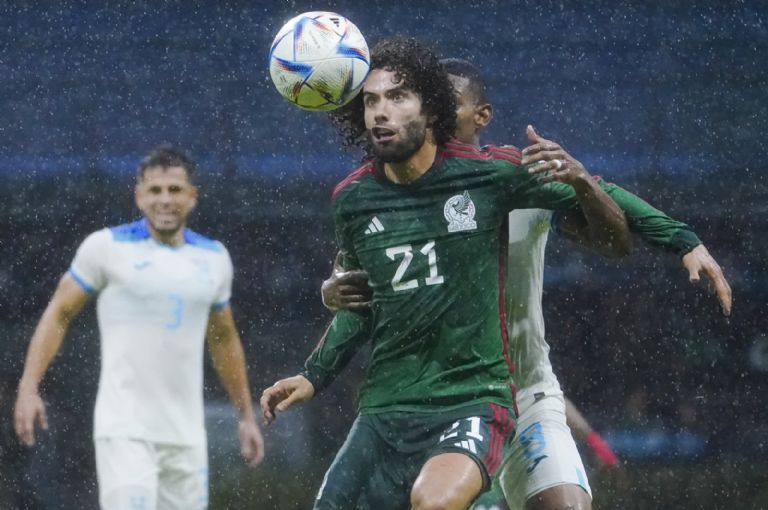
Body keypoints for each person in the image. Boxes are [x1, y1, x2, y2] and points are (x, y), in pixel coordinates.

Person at [320, 57, 732, 510]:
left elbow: (613, 236)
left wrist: (681, 239)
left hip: (526, 394)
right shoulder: (394, 196)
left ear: (482, 116)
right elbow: (381, 282)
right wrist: (336, 293)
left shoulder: (516, 177)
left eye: (447, 103)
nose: (435, 113)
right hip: (440, 401)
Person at [261, 37, 632, 510]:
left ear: (438, 110)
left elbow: (615, 233)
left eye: (398, 97)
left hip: (500, 393)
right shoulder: (362, 199)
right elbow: (364, 302)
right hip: (402, 400)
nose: (381, 111)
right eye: (371, 100)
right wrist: (315, 369)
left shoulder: (507, 175)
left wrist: (678, 237)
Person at [14, 146, 265, 509]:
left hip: (187, 436)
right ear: (139, 196)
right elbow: (59, 312)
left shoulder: (214, 258)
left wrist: (245, 416)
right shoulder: (106, 248)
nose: (165, 200)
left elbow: (224, 338)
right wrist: (28, 386)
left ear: (192, 196)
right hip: (125, 431)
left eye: (175, 190)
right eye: (155, 190)